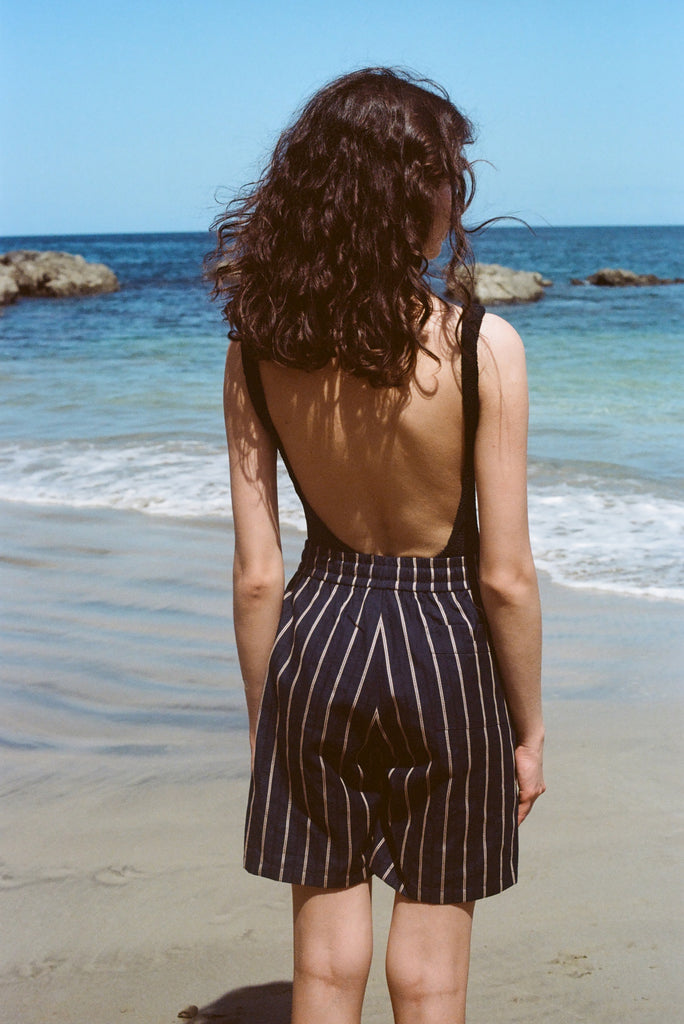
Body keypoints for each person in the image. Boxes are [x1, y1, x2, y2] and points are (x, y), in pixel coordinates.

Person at [208, 67, 545, 1024]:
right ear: (413, 191)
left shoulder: (256, 349)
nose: (456, 200)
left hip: (318, 634)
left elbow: (257, 574)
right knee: (431, 975)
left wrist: (267, 721)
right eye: (449, 177)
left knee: (322, 969)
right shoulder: (481, 348)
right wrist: (529, 730)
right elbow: (506, 577)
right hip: (446, 644)